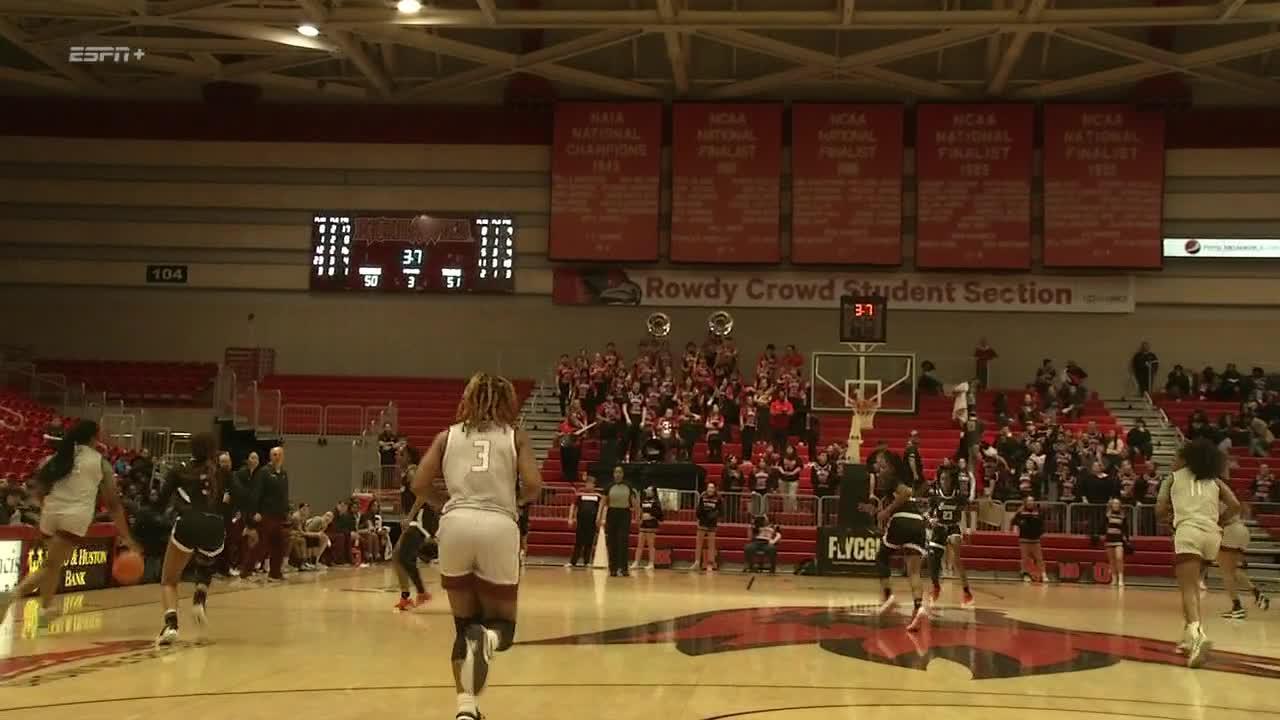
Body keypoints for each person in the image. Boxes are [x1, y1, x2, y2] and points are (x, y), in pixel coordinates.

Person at [414, 372, 543, 720]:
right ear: (507, 401)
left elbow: (419, 483)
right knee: (500, 628)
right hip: (498, 525)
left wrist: (447, 504)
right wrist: (511, 501)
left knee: (464, 626)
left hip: (454, 526)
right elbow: (533, 485)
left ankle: (466, 708)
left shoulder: (446, 436)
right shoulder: (515, 437)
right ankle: (489, 640)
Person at [0, 420, 140, 625]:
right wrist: (127, 537)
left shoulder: (57, 456)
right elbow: (113, 505)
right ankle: (12, 595)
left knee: (53, 565)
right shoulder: (100, 462)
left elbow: (37, 488)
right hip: (74, 517)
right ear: (94, 438)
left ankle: (45, 609)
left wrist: (44, 508)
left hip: (50, 514)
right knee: (51, 565)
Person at [1156, 439, 1239, 668]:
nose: (1173, 461)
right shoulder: (1214, 480)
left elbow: (1159, 510)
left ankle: (1197, 633)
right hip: (1212, 536)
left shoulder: (1173, 478)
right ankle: (1187, 636)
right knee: (1194, 586)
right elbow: (1235, 505)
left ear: (1185, 460)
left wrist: (1171, 520)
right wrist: (1218, 520)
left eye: (1176, 457)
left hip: (1189, 533)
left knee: (1188, 590)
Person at [154, 433, 230, 645]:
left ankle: (171, 625)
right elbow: (235, 500)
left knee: (169, 580)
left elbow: (160, 501)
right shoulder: (222, 473)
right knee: (205, 561)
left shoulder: (179, 470)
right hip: (215, 526)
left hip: (189, 521)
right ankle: (199, 598)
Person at [873, 452, 929, 632]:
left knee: (881, 557)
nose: (878, 467)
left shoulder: (892, 478)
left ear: (890, 466)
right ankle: (919, 607)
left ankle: (888, 596)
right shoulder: (891, 482)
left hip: (902, 519)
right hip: (917, 523)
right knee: (914, 573)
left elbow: (906, 492)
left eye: (881, 464)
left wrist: (887, 511)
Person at [242, 446, 289, 582]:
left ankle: (275, 573)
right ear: (270, 456)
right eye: (274, 454)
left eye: (279, 454)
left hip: (279, 515)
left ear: (283, 456)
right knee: (260, 544)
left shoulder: (284, 473)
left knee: (279, 545)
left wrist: (286, 511)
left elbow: (284, 494)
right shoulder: (264, 472)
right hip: (266, 515)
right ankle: (246, 572)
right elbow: (256, 493)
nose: (277, 457)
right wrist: (255, 512)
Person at [393, 445, 432, 611]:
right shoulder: (405, 474)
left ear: (409, 457)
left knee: (403, 557)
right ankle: (405, 597)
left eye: (401, 453)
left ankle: (422, 593)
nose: (397, 455)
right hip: (413, 519)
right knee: (396, 555)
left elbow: (422, 495)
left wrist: (409, 517)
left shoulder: (412, 472)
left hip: (421, 519)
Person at [928, 471, 974, 607]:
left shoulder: (958, 496)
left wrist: (969, 529)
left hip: (953, 527)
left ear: (951, 480)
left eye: (946, 479)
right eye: (942, 479)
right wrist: (931, 520)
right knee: (932, 559)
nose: (944, 481)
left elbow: (968, 511)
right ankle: (936, 587)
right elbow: (928, 514)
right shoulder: (935, 496)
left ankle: (967, 592)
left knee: (956, 559)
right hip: (939, 529)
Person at [1218, 500, 1270, 619]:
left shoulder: (1209, 498)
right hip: (1242, 530)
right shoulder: (1227, 496)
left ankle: (1237, 608)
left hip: (1229, 531)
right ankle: (1256, 593)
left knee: (1226, 573)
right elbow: (1244, 507)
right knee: (1232, 570)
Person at [603, 466, 636, 578]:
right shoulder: (609, 486)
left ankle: (623, 568)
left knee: (623, 541)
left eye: (620, 472)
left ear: (623, 474)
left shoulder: (628, 486)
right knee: (612, 542)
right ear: (613, 474)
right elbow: (603, 503)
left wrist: (638, 516)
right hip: (612, 514)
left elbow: (634, 502)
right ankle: (613, 568)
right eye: (616, 472)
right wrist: (599, 517)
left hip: (624, 514)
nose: (618, 474)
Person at [567, 474, 603, 568]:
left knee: (589, 542)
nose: (589, 485)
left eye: (591, 484)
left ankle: (587, 562)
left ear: (594, 485)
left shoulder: (598, 496)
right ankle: (573, 562)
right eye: (587, 483)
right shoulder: (580, 494)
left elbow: (601, 508)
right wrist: (570, 518)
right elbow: (573, 506)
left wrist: (600, 519)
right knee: (578, 541)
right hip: (581, 521)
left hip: (592, 522)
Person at [1010, 495, 1045, 582]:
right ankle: (1025, 574)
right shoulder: (1020, 512)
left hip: (1035, 540)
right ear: (1026, 503)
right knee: (1025, 558)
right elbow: (1014, 521)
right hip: (1024, 540)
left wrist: (1040, 532)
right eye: (1029, 501)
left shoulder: (1038, 512)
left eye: (1032, 501)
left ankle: (1042, 574)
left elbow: (1042, 523)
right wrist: (1017, 527)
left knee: (1039, 558)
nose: (1030, 503)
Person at [693, 482, 722, 572]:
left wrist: (713, 516)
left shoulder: (718, 498)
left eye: (712, 487)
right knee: (698, 544)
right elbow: (699, 508)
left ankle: (710, 564)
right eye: (709, 487)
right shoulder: (702, 496)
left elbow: (720, 511)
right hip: (702, 522)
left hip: (712, 523)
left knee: (711, 545)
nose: (710, 489)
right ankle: (697, 562)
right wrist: (700, 516)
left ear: (714, 489)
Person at [633, 485, 664, 570]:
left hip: (651, 524)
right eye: (647, 490)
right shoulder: (644, 500)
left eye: (649, 490)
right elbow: (640, 509)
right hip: (644, 524)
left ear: (653, 492)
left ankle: (651, 563)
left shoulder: (656, 502)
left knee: (650, 545)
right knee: (640, 544)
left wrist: (651, 516)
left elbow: (660, 515)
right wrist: (639, 517)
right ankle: (636, 562)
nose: (647, 491)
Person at [1103, 497, 1128, 588]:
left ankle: (1121, 579)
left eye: (1117, 503)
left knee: (1119, 558)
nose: (1116, 505)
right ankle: (1114, 579)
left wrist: (1126, 539)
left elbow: (1125, 529)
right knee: (1112, 561)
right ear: (1111, 505)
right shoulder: (1108, 515)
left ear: (1120, 505)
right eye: (1114, 503)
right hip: (1109, 539)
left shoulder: (1122, 516)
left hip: (1119, 540)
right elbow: (1104, 526)